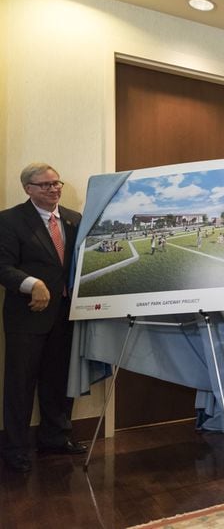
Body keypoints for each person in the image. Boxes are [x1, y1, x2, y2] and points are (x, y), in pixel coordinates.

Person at [0, 162, 87, 473]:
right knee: (20, 385)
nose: (54, 189)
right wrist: (32, 284)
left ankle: (55, 437)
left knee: (59, 381)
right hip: (28, 316)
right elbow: (3, 267)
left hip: (66, 316)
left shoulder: (75, 220)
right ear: (28, 189)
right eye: (45, 185)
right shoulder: (9, 220)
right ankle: (16, 449)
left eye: (56, 183)